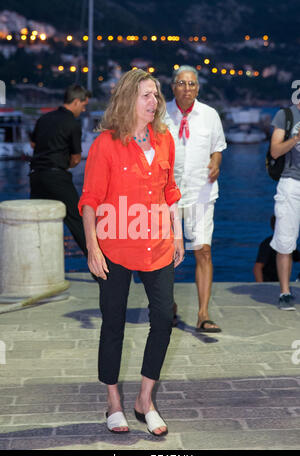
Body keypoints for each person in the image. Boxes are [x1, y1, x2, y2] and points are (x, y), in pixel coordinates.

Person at [78, 69, 184, 435]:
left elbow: (170, 191)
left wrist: (179, 235)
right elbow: (90, 200)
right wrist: (93, 247)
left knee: (163, 319)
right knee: (114, 324)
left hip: (158, 244)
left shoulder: (165, 139)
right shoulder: (105, 144)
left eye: (156, 95)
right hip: (114, 246)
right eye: (146, 96)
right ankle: (113, 403)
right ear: (128, 99)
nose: (154, 102)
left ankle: (145, 400)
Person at [165, 65, 226, 333]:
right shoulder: (159, 113)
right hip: (166, 196)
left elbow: (218, 149)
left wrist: (216, 163)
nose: (186, 88)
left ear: (198, 88)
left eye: (191, 84)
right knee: (165, 256)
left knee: (203, 250)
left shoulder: (210, 115)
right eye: (181, 83)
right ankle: (169, 307)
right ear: (173, 87)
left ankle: (203, 314)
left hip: (201, 192)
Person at [29, 84, 91, 256]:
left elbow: (33, 144)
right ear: (76, 101)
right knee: (76, 220)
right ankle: (100, 272)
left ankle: (35, 264)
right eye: (84, 105)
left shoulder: (44, 119)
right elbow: (76, 158)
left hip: (35, 177)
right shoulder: (72, 123)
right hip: (57, 177)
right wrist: (65, 164)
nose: (84, 109)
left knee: (37, 222)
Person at [269, 100, 300, 310]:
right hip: (291, 184)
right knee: (285, 240)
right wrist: (296, 138)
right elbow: (275, 151)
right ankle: (285, 292)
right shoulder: (286, 116)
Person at [254, 215, 300, 282]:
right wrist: (261, 286)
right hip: (268, 284)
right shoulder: (268, 244)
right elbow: (257, 268)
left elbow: (298, 258)